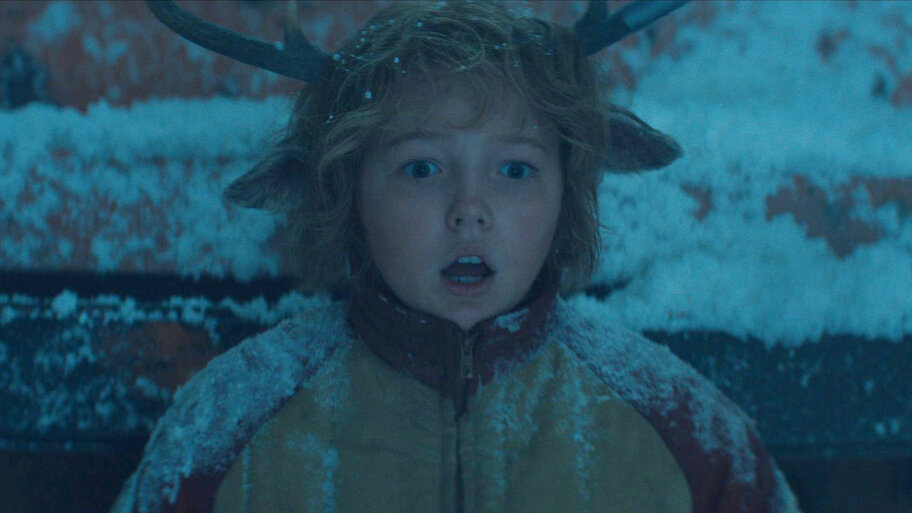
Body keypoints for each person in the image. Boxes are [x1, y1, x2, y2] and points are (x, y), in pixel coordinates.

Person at [113, 1, 801, 511]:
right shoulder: (224, 428)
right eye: (422, 169)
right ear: (344, 189)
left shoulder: (687, 430)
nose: (469, 208)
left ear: (569, 186)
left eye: (514, 170)